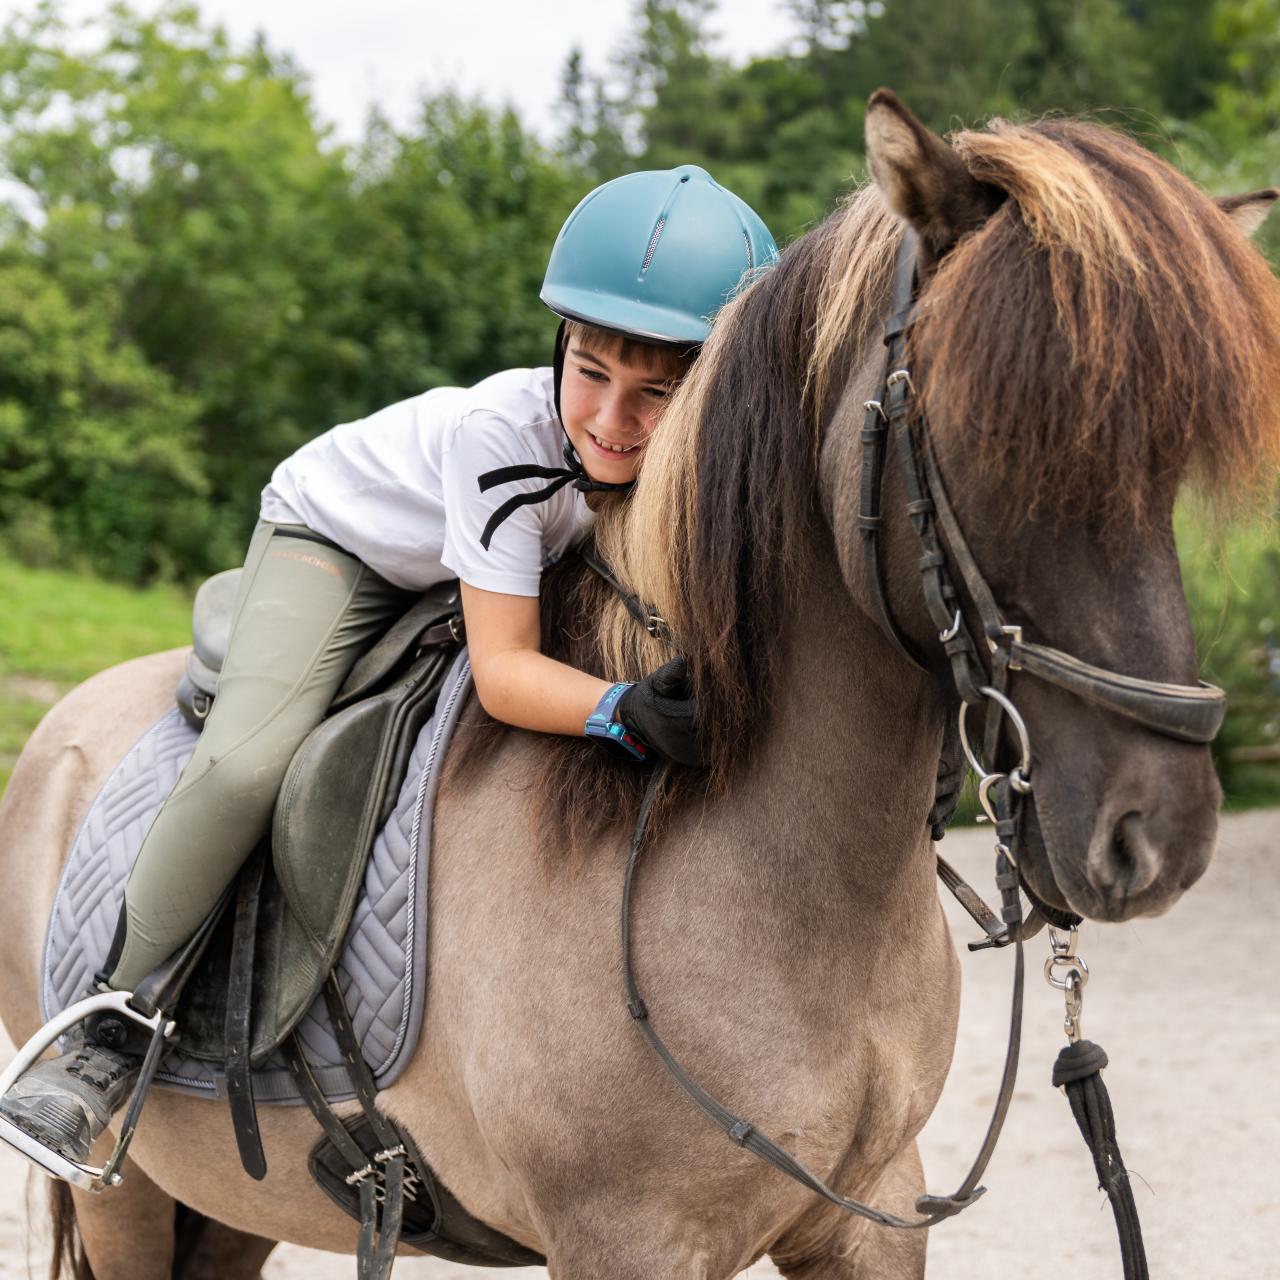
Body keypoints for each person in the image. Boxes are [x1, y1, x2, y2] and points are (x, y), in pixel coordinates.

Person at [0, 164, 778, 1172]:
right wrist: (624, 709)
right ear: (560, 346)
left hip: (487, 555)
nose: (611, 419)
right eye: (589, 370)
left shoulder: (700, 464)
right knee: (247, 760)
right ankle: (111, 1022)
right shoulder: (508, 440)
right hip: (339, 542)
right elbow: (503, 673)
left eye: (656, 392)